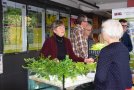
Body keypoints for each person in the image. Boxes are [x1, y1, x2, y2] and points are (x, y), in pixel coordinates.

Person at [94, 19, 132, 90]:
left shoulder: (106, 51)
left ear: (107, 32)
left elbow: (100, 77)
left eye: (103, 30)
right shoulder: (124, 49)